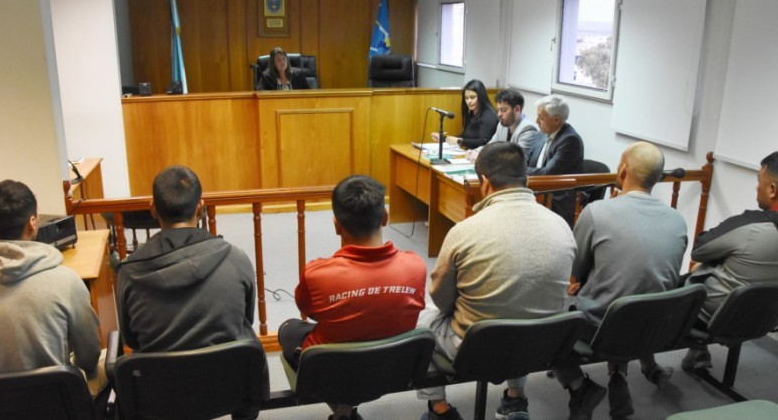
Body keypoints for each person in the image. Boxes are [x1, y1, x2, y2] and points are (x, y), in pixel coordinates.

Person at [418, 142, 576, 420]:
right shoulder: (562, 225)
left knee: (422, 320)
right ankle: (515, 399)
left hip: (477, 349)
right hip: (540, 345)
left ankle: (439, 409)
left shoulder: (464, 231)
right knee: (522, 307)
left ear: (485, 183)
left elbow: (441, 300)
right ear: (526, 180)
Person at [553, 142, 688, 420]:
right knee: (630, 298)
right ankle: (620, 372)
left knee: (547, 313)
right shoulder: (678, 220)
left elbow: (576, 268)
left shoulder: (597, 212)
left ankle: (579, 386)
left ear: (623, 170)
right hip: (656, 327)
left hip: (602, 328)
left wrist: (586, 282)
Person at [117, 166, 261, 418]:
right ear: (200, 207)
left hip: (160, 395)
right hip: (227, 387)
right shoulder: (236, 259)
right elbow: (246, 318)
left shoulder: (128, 272)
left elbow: (131, 340)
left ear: (153, 209)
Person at [278, 175, 426, 420]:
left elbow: (310, 311)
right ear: (385, 217)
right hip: (392, 368)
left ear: (336, 225)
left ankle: (342, 411)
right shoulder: (416, 265)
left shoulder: (317, 274)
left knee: (289, 329)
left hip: (332, 374)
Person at [0, 180, 103, 393]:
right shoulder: (66, 281)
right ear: (32, 222)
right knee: (102, 368)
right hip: (56, 402)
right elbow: (89, 356)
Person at [682, 151, 778, 372]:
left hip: (716, 317)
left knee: (684, 281)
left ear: (772, 190)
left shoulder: (751, 225)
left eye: (759, 181)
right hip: (764, 319)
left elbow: (699, 249)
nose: (756, 188)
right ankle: (698, 350)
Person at [527, 94, 585, 227]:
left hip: (558, 199)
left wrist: (519, 171)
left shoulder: (570, 140)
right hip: (539, 191)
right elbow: (527, 160)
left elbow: (549, 173)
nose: (536, 121)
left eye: (541, 118)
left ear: (556, 119)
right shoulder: (543, 133)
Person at [465, 88, 539, 162]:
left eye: (503, 110)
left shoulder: (528, 129)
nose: (499, 114)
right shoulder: (502, 124)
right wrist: (475, 152)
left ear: (517, 109)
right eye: (498, 110)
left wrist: (482, 157)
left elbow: (516, 160)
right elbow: (491, 146)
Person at [431, 79, 498, 150]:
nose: (469, 101)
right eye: (466, 98)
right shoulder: (471, 113)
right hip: (469, 152)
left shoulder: (489, 116)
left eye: (472, 97)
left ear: (481, 97)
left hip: (481, 154)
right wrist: (444, 138)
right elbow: (465, 137)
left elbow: (484, 141)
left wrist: (460, 141)